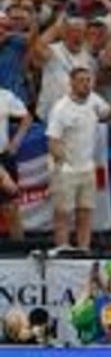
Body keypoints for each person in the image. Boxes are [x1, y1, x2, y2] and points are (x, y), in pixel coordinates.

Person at [46, 67, 111, 251]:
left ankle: (84, 248)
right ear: (71, 83)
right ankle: (62, 248)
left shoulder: (95, 100)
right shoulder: (61, 108)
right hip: (65, 169)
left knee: (85, 211)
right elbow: (53, 141)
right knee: (63, 213)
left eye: (88, 80)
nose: (85, 84)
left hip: (87, 168)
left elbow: (108, 112)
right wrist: (63, 164)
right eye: (81, 80)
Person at [0, 87, 31, 241]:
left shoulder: (5, 96)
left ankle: (20, 254)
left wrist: (16, 142)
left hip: (4, 156)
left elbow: (27, 117)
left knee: (11, 208)